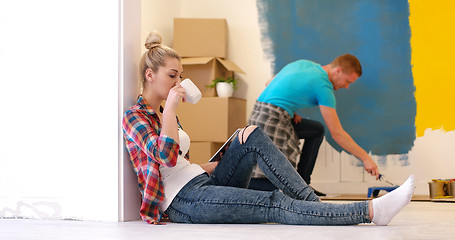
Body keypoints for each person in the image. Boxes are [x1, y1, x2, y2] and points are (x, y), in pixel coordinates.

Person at [122, 32, 415, 225]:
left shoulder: (163, 113)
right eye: (173, 76)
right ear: (150, 75)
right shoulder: (134, 117)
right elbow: (167, 159)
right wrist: (172, 108)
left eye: (180, 76)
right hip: (183, 201)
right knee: (272, 202)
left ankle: (315, 208)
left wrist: (217, 159)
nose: (179, 83)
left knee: (252, 135)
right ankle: (370, 211)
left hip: (201, 181)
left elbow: (181, 163)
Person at [248, 55, 379, 196]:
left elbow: (269, 82)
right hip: (270, 119)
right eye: (347, 81)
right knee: (267, 180)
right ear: (338, 71)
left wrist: (291, 109)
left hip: (258, 113)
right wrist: (366, 158)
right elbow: (337, 134)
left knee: (316, 130)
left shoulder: (305, 64)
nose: (346, 87)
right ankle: (257, 192)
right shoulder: (323, 86)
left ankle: (303, 185)